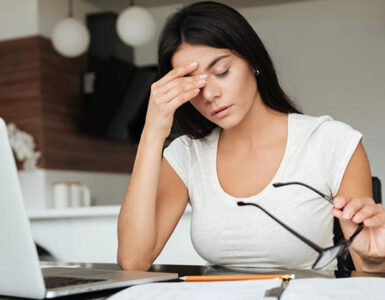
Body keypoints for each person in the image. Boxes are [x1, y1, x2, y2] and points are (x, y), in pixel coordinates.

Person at [117, 1, 385, 272]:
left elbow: (365, 277)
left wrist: (375, 260)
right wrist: (152, 131)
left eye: (221, 72)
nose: (210, 95)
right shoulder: (186, 155)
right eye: (193, 85)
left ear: (253, 61)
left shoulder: (332, 142)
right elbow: (134, 261)